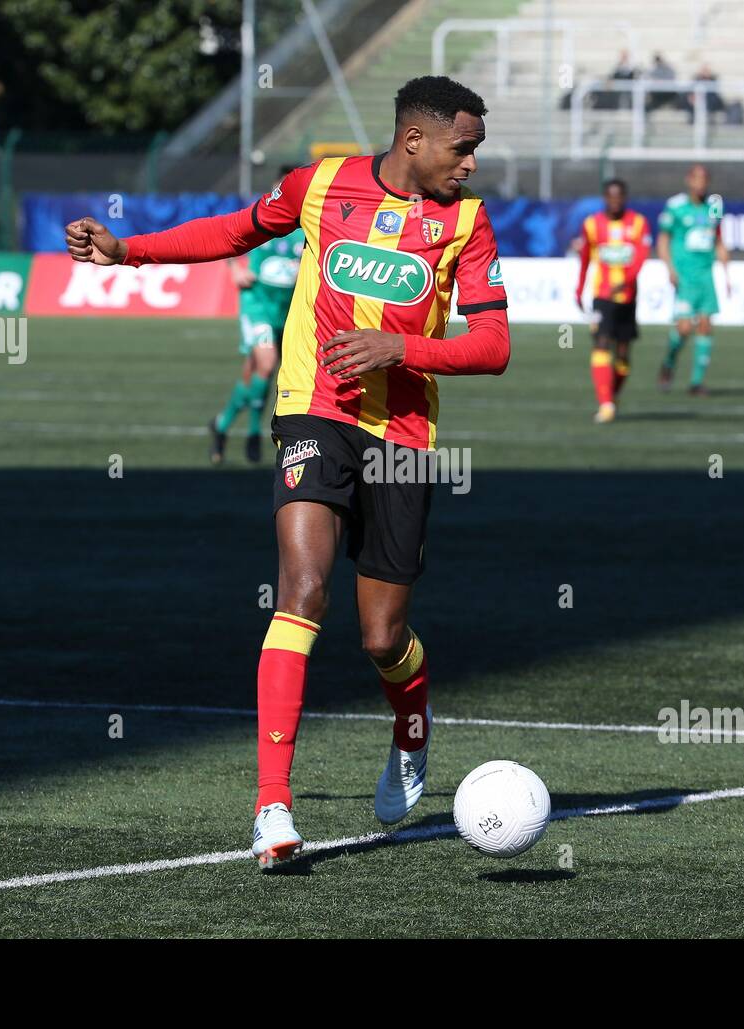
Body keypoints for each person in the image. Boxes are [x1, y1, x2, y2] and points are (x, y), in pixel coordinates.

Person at [65, 75, 510, 871]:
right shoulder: (321, 185)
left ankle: (411, 727)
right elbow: (235, 231)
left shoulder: (467, 225)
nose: (471, 164)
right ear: (415, 139)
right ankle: (273, 805)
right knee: (301, 589)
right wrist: (128, 250)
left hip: (403, 435)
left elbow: (493, 346)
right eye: (463, 147)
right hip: (312, 412)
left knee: (382, 634)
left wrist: (402, 348)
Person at [210, 166, 305, 465]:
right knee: (266, 363)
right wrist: (235, 268)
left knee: (256, 373)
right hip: (257, 304)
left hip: (287, 309)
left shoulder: (309, 223)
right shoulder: (263, 215)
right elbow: (223, 236)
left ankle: (222, 425)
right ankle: (253, 432)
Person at [574, 178, 652, 422]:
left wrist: (627, 279)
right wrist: (579, 289)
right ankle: (606, 404)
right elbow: (585, 259)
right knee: (601, 343)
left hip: (628, 297)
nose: (615, 201)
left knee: (623, 354)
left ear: (624, 198)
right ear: (605, 198)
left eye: (619, 197)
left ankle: (612, 396)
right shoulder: (592, 224)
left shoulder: (638, 223)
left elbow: (641, 257)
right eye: (611, 197)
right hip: (603, 296)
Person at [657, 164, 729, 395]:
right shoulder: (676, 206)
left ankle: (696, 383)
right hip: (684, 276)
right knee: (685, 327)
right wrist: (669, 268)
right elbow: (663, 240)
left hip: (706, 275)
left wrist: (727, 271)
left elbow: (718, 238)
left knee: (706, 326)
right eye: (696, 179)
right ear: (689, 180)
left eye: (704, 179)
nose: (700, 183)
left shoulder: (714, 206)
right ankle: (668, 363)